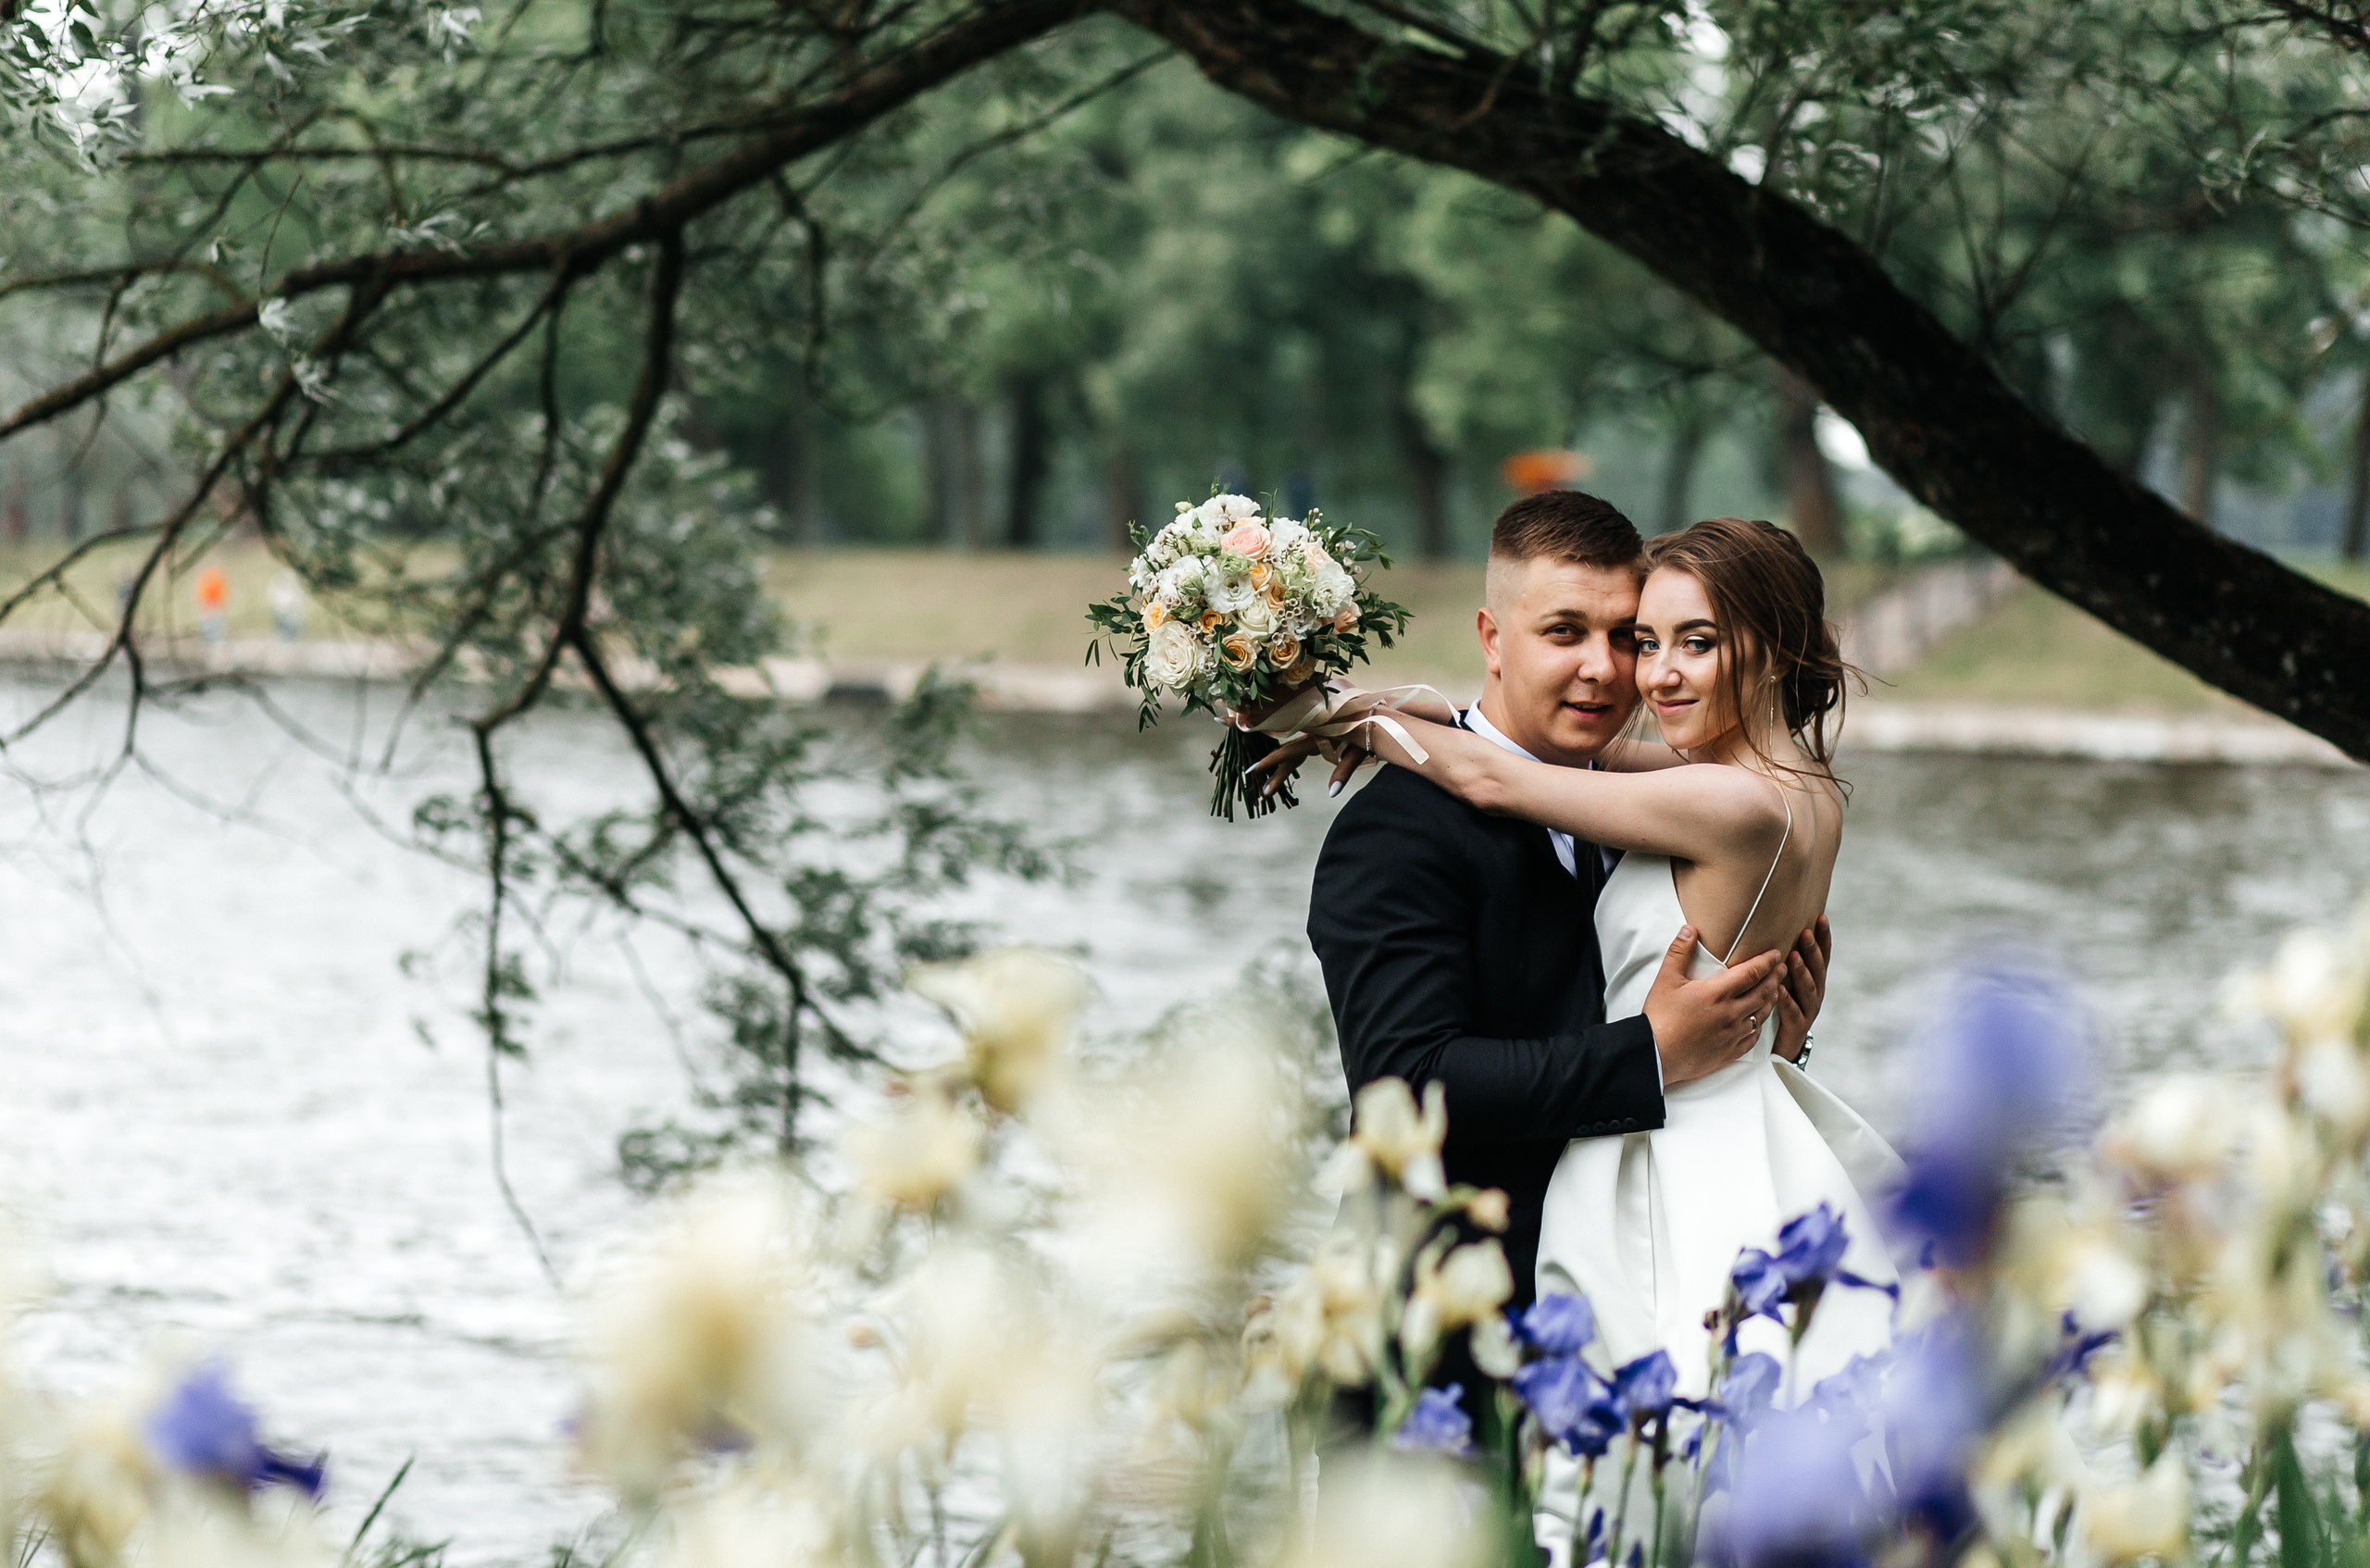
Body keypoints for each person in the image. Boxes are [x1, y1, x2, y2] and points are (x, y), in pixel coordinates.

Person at [1279, 511, 1900, 1404]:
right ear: (1493, 638)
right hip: (1439, 1346)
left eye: (1635, 637)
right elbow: (1404, 1089)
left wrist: (1346, 714)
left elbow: (1507, 775)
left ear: (1771, 650)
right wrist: (1659, 1054)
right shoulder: (1402, 831)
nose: (1622, 671)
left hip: (1644, 1227)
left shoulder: (1683, 798)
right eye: (1571, 633)